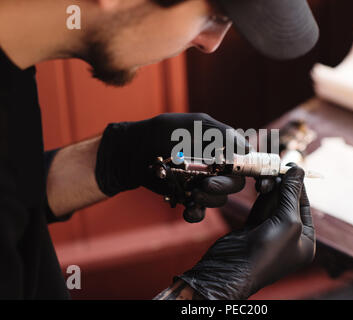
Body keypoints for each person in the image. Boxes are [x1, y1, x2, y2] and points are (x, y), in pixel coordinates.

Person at [0, 0, 318, 299]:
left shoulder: (14, 66)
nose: (210, 43)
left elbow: (14, 197)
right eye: (215, 16)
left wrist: (119, 157)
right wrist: (205, 293)